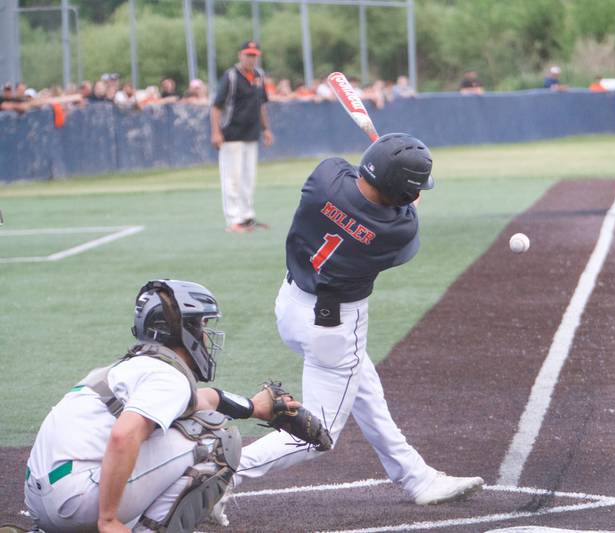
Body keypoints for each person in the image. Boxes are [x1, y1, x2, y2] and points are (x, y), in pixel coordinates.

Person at [226, 133, 484, 515]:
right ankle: (222, 473)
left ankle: (416, 476)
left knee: (367, 392)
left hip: (291, 305)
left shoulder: (322, 179)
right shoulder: (396, 231)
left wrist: (391, 179)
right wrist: (404, 197)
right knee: (316, 434)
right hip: (333, 330)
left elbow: (354, 179)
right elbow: (401, 216)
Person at [21, 279, 319, 533]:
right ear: (182, 331)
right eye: (201, 325)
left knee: (193, 422)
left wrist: (253, 406)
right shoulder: (167, 377)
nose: (205, 335)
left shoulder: (138, 367)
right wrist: (109, 520)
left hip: (45, 501)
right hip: (75, 500)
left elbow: (203, 401)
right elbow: (123, 435)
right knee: (216, 441)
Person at [210, 40, 274, 233]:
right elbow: (216, 106)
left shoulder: (259, 75)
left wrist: (266, 129)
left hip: (251, 134)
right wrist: (216, 132)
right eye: (248, 54)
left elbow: (262, 104)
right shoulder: (231, 76)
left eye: (254, 55)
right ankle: (233, 219)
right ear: (240, 55)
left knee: (248, 177)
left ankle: (246, 216)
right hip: (231, 134)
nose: (251, 58)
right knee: (232, 177)